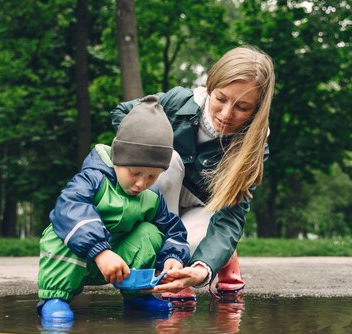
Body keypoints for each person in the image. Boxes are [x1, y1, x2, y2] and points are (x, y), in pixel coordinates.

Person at [110, 46, 275, 304]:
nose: (226, 114)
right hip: (164, 195)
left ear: (257, 108)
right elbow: (122, 113)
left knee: (192, 248)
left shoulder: (253, 147)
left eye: (242, 107)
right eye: (221, 98)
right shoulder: (178, 102)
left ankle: (215, 257)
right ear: (210, 86)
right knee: (167, 158)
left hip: (204, 209)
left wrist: (201, 268)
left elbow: (230, 217)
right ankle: (161, 261)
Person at [37, 95, 191, 323]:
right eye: (135, 172)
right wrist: (100, 251)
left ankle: (136, 295)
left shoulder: (151, 196)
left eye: (152, 176)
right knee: (66, 230)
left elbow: (173, 230)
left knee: (150, 231)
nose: (141, 183)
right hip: (79, 258)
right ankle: (55, 299)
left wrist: (173, 258)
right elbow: (69, 208)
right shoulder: (93, 179)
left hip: (117, 265)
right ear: (118, 158)